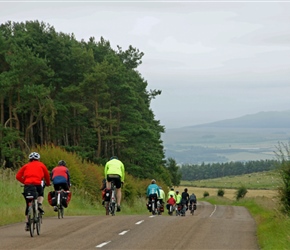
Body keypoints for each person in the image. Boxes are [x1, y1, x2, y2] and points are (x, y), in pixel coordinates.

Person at [16, 152, 51, 231]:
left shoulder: (26, 166)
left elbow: (17, 176)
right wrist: (48, 183)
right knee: (41, 194)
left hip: (28, 186)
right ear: (38, 159)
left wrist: (25, 182)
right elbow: (47, 176)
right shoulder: (41, 165)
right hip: (38, 185)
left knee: (28, 204)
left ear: (29, 159)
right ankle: (39, 204)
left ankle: (27, 224)